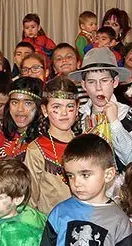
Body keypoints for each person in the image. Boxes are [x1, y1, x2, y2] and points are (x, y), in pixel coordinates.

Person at [69, 47, 132, 172]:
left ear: (115, 82)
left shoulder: (127, 114)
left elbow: (130, 158)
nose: (98, 88)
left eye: (104, 81)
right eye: (91, 82)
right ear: (83, 85)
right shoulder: (79, 116)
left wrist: (114, 122)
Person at [23, 76, 79, 215]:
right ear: (45, 110)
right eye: (56, 107)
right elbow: (30, 199)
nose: (64, 113)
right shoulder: (37, 149)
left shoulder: (84, 145)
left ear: (78, 108)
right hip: (50, 225)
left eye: (70, 106)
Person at [1, 76, 43, 159]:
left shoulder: (43, 141)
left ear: (40, 107)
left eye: (28, 103)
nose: (20, 109)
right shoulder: (3, 134)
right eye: (14, 102)